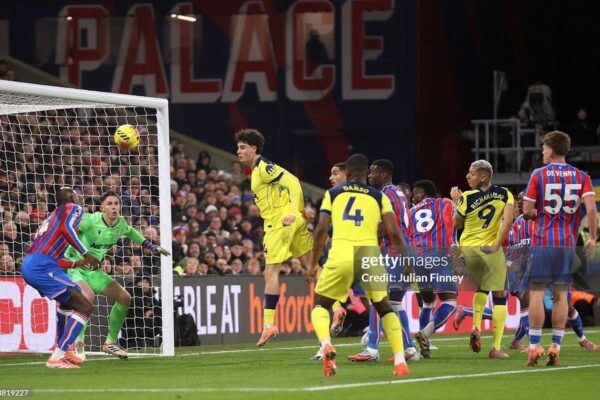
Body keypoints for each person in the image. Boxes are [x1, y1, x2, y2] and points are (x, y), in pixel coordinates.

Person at [307, 154, 410, 377]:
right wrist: (407, 261)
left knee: (321, 305)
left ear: (349, 172)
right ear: (365, 173)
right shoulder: (379, 197)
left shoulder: (333, 194)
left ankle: (326, 345)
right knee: (383, 307)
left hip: (341, 253)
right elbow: (393, 232)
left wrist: (313, 263)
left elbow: (321, 230)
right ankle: (400, 359)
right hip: (369, 254)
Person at [62, 191, 170, 362]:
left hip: (93, 271)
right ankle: (78, 343)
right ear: (102, 208)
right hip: (74, 267)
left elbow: (131, 231)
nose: (114, 207)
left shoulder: (120, 223)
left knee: (124, 298)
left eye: (116, 203)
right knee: (86, 297)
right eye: (110, 204)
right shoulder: (89, 221)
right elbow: (66, 229)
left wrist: (150, 245)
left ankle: (110, 342)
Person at [522, 131, 597, 366]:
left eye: (544, 148)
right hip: (565, 245)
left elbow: (526, 210)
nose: (542, 152)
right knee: (560, 296)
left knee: (536, 292)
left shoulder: (538, 174)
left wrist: (534, 214)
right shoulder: (581, 176)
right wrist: (593, 237)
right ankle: (556, 345)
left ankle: (534, 346)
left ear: (552, 150)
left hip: (542, 242)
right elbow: (592, 210)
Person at [235, 129, 313, 346]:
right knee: (311, 266)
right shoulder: (259, 170)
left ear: (254, 148)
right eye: (238, 147)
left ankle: (269, 325)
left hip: (280, 223)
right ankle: (336, 308)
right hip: (291, 219)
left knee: (270, 272)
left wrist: (291, 211)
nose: (238, 151)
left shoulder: (263, 168)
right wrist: (298, 211)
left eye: (242, 147)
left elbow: (294, 182)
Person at [20, 187, 99, 369]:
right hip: (42, 266)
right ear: (71, 197)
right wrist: (86, 253)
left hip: (35, 263)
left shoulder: (51, 217)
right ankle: (58, 356)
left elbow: (51, 255)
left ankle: (63, 350)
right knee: (85, 306)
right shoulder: (72, 207)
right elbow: (66, 229)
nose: (79, 197)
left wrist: (74, 264)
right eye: (77, 194)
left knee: (69, 302)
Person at [348, 159, 418, 362]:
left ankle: (371, 350)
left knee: (379, 297)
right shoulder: (399, 193)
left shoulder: (384, 195)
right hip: (405, 251)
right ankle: (410, 350)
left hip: (393, 252)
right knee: (394, 302)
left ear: (384, 174)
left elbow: (384, 227)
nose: (369, 176)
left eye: (373, 172)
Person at [451, 160, 514, 358]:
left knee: (482, 288)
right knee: (500, 295)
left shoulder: (466, 197)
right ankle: (495, 347)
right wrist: (496, 244)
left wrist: (456, 201)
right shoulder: (505, 193)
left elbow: (456, 223)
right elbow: (509, 220)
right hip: (490, 249)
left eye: (472, 174)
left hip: (468, 250)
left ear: (483, 177)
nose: (468, 176)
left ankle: (476, 325)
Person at [408, 180, 456, 359]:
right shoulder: (445, 203)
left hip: (418, 259)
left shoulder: (410, 212)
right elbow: (455, 222)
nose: (413, 197)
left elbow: (409, 237)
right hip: (438, 255)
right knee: (450, 302)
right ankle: (425, 333)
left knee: (428, 302)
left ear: (426, 192)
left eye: (416, 192)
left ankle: (422, 344)